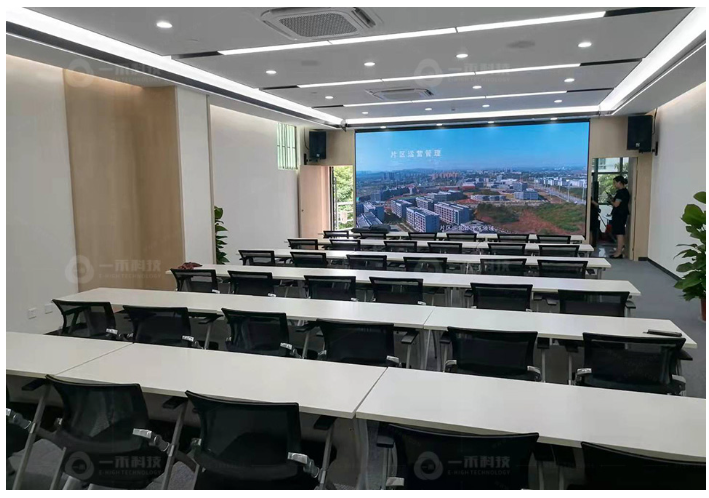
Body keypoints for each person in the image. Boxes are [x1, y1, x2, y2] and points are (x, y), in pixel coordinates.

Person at [609, 176, 630, 258]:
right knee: (620, 232)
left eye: (615, 182)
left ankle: (618, 252)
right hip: (622, 214)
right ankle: (620, 250)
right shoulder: (625, 192)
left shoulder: (621, 193)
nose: (614, 184)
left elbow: (616, 204)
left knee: (619, 233)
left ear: (619, 182)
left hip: (619, 215)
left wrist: (611, 201)